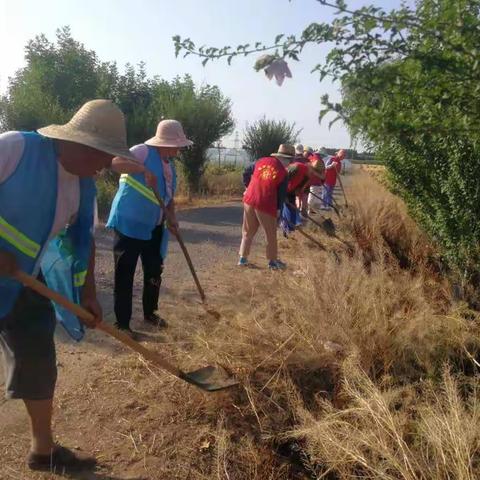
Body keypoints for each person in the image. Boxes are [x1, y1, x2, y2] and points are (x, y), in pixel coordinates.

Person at [0, 99, 135, 472]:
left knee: (40, 359)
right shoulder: (15, 148)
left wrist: (88, 293)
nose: (104, 166)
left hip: (20, 283)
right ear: (79, 144)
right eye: (102, 156)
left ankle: (42, 451)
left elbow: (82, 242)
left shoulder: (83, 187)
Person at [107, 120, 192, 336]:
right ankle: (123, 324)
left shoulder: (171, 167)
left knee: (154, 270)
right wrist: (142, 168)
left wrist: (172, 217)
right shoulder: (142, 151)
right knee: (125, 272)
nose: (178, 149)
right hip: (129, 223)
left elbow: (168, 198)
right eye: (177, 144)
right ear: (166, 142)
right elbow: (115, 163)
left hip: (154, 226)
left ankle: (150, 313)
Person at [238, 144, 292, 270]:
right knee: (270, 233)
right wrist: (278, 210)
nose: (289, 163)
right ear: (285, 159)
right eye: (289, 160)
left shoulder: (260, 161)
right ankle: (273, 262)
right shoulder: (283, 172)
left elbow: (246, 171)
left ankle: (242, 259)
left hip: (249, 199)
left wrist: (247, 187)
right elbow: (281, 194)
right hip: (266, 203)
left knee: (248, 231)